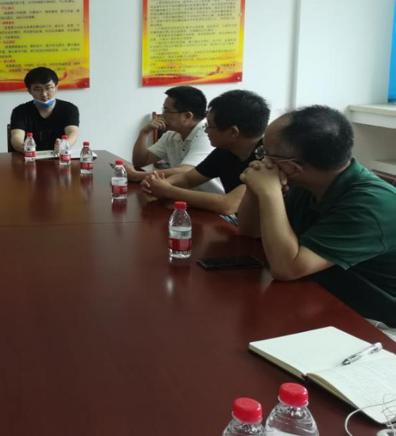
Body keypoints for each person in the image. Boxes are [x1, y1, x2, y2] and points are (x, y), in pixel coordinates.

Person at [238, 106, 396, 338]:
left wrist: (270, 194)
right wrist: (255, 189)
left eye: (266, 153)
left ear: (295, 167)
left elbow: (287, 269)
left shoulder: (370, 206)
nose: (262, 160)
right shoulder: (311, 182)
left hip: (379, 324)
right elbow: (249, 231)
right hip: (326, 296)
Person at [142, 90, 270, 216]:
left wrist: (167, 190)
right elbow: (187, 179)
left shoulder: (268, 160)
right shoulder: (225, 151)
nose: (206, 131)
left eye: (209, 126)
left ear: (233, 132)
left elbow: (227, 205)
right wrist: (157, 184)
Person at [127, 86, 223, 194]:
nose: (162, 115)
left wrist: (137, 175)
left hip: (211, 199)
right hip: (183, 196)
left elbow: (186, 171)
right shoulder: (171, 135)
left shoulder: (207, 135)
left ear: (187, 116)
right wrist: (144, 132)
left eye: (167, 111)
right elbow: (140, 161)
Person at [9, 67, 80, 153]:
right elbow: (16, 137)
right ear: (29, 91)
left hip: (59, 156)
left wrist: (65, 144)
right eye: (37, 89)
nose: (44, 94)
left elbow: (72, 132)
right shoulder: (20, 111)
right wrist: (25, 147)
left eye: (48, 88)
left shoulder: (69, 109)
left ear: (56, 88)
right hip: (29, 157)